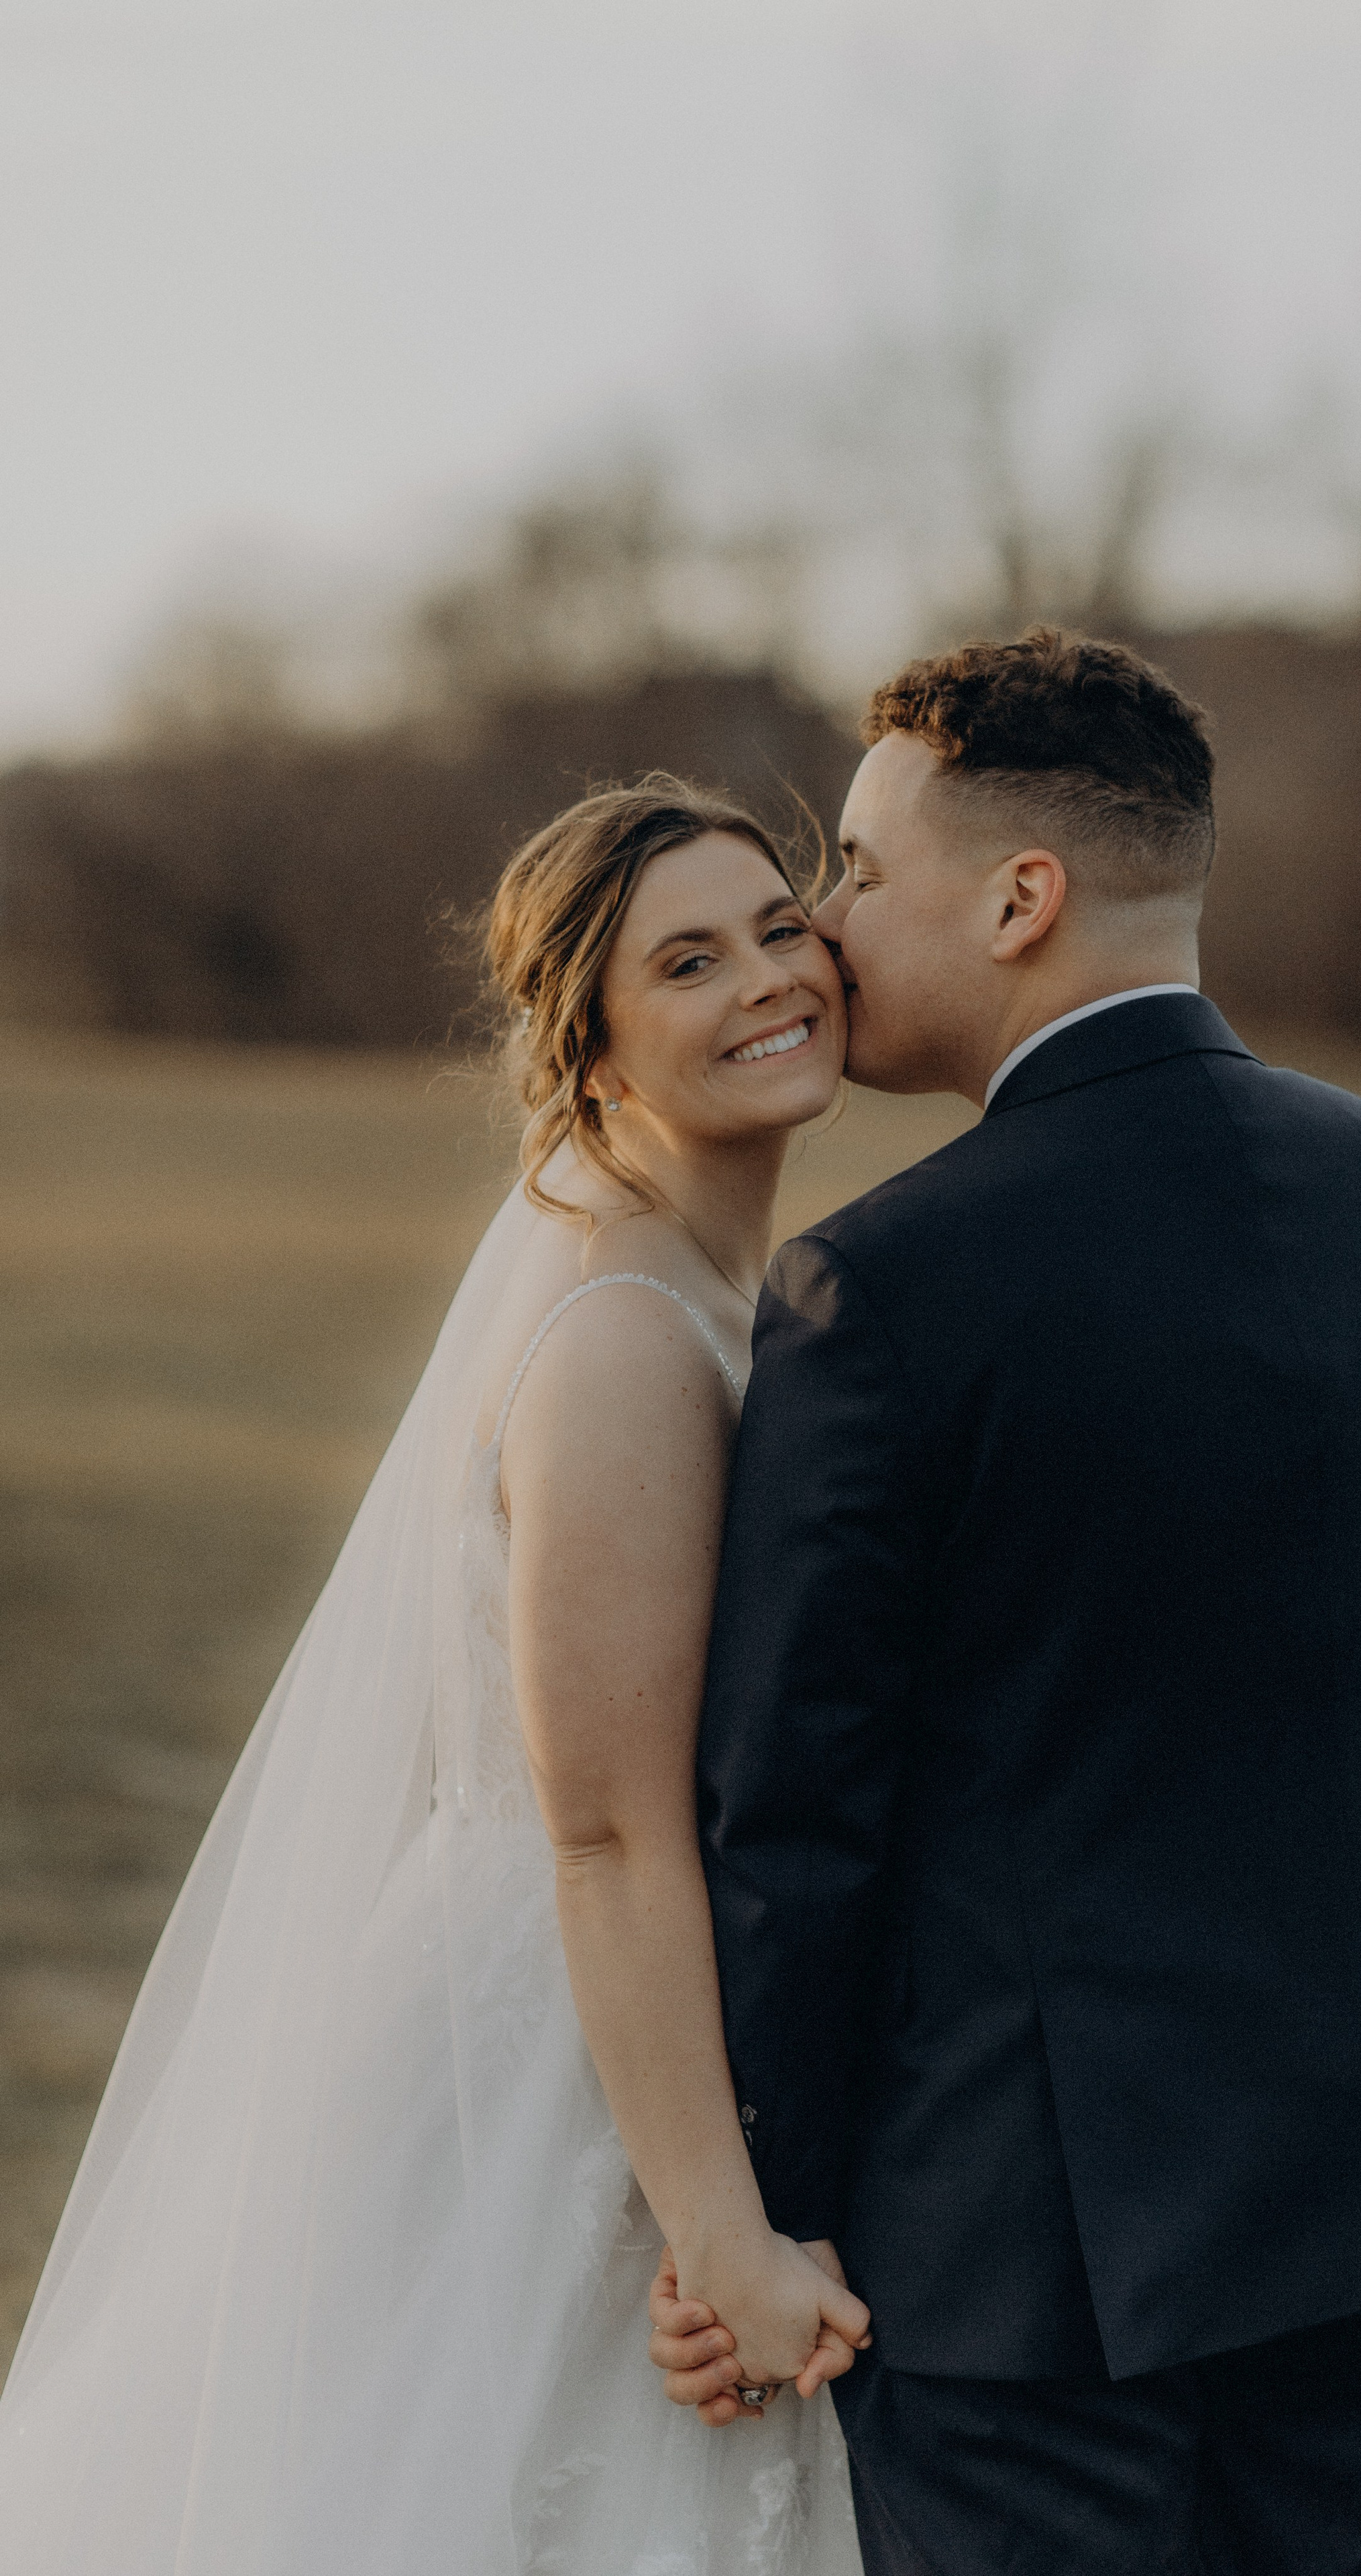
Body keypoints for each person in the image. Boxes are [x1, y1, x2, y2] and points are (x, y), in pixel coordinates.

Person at [649, 630, 1361, 2574]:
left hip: (1036, 2243)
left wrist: (773, 2207)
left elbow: (797, 1818)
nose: (826, 924)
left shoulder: (881, 1292)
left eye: (856, 869)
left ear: (1021, 899)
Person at [0, 782, 869, 2573]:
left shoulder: (716, 1292)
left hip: (635, 2012)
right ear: (598, 1050)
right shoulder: (627, 1337)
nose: (769, 977)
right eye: (688, 960)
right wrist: (714, 2232)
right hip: (559, 2050)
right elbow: (606, 1829)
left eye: (782, 924)